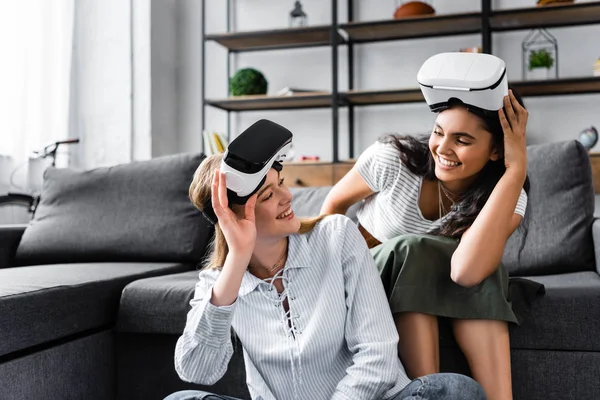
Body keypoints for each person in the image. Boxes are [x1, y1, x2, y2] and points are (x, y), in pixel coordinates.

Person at [165, 119, 486, 400]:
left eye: (282, 184)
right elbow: (197, 370)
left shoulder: (336, 234)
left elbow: (379, 354)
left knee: (456, 391)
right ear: (231, 219)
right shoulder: (219, 283)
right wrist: (236, 261)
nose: (287, 197)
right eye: (268, 195)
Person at [320, 54, 545, 400]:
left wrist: (515, 171)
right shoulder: (392, 160)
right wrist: (330, 281)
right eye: (439, 132)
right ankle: (430, 394)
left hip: (448, 283)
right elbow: (333, 207)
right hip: (370, 276)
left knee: (485, 269)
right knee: (415, 249)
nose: (443, 148)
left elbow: (468, 271)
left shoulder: (507, 195)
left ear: (497, 151)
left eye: (463, 140)